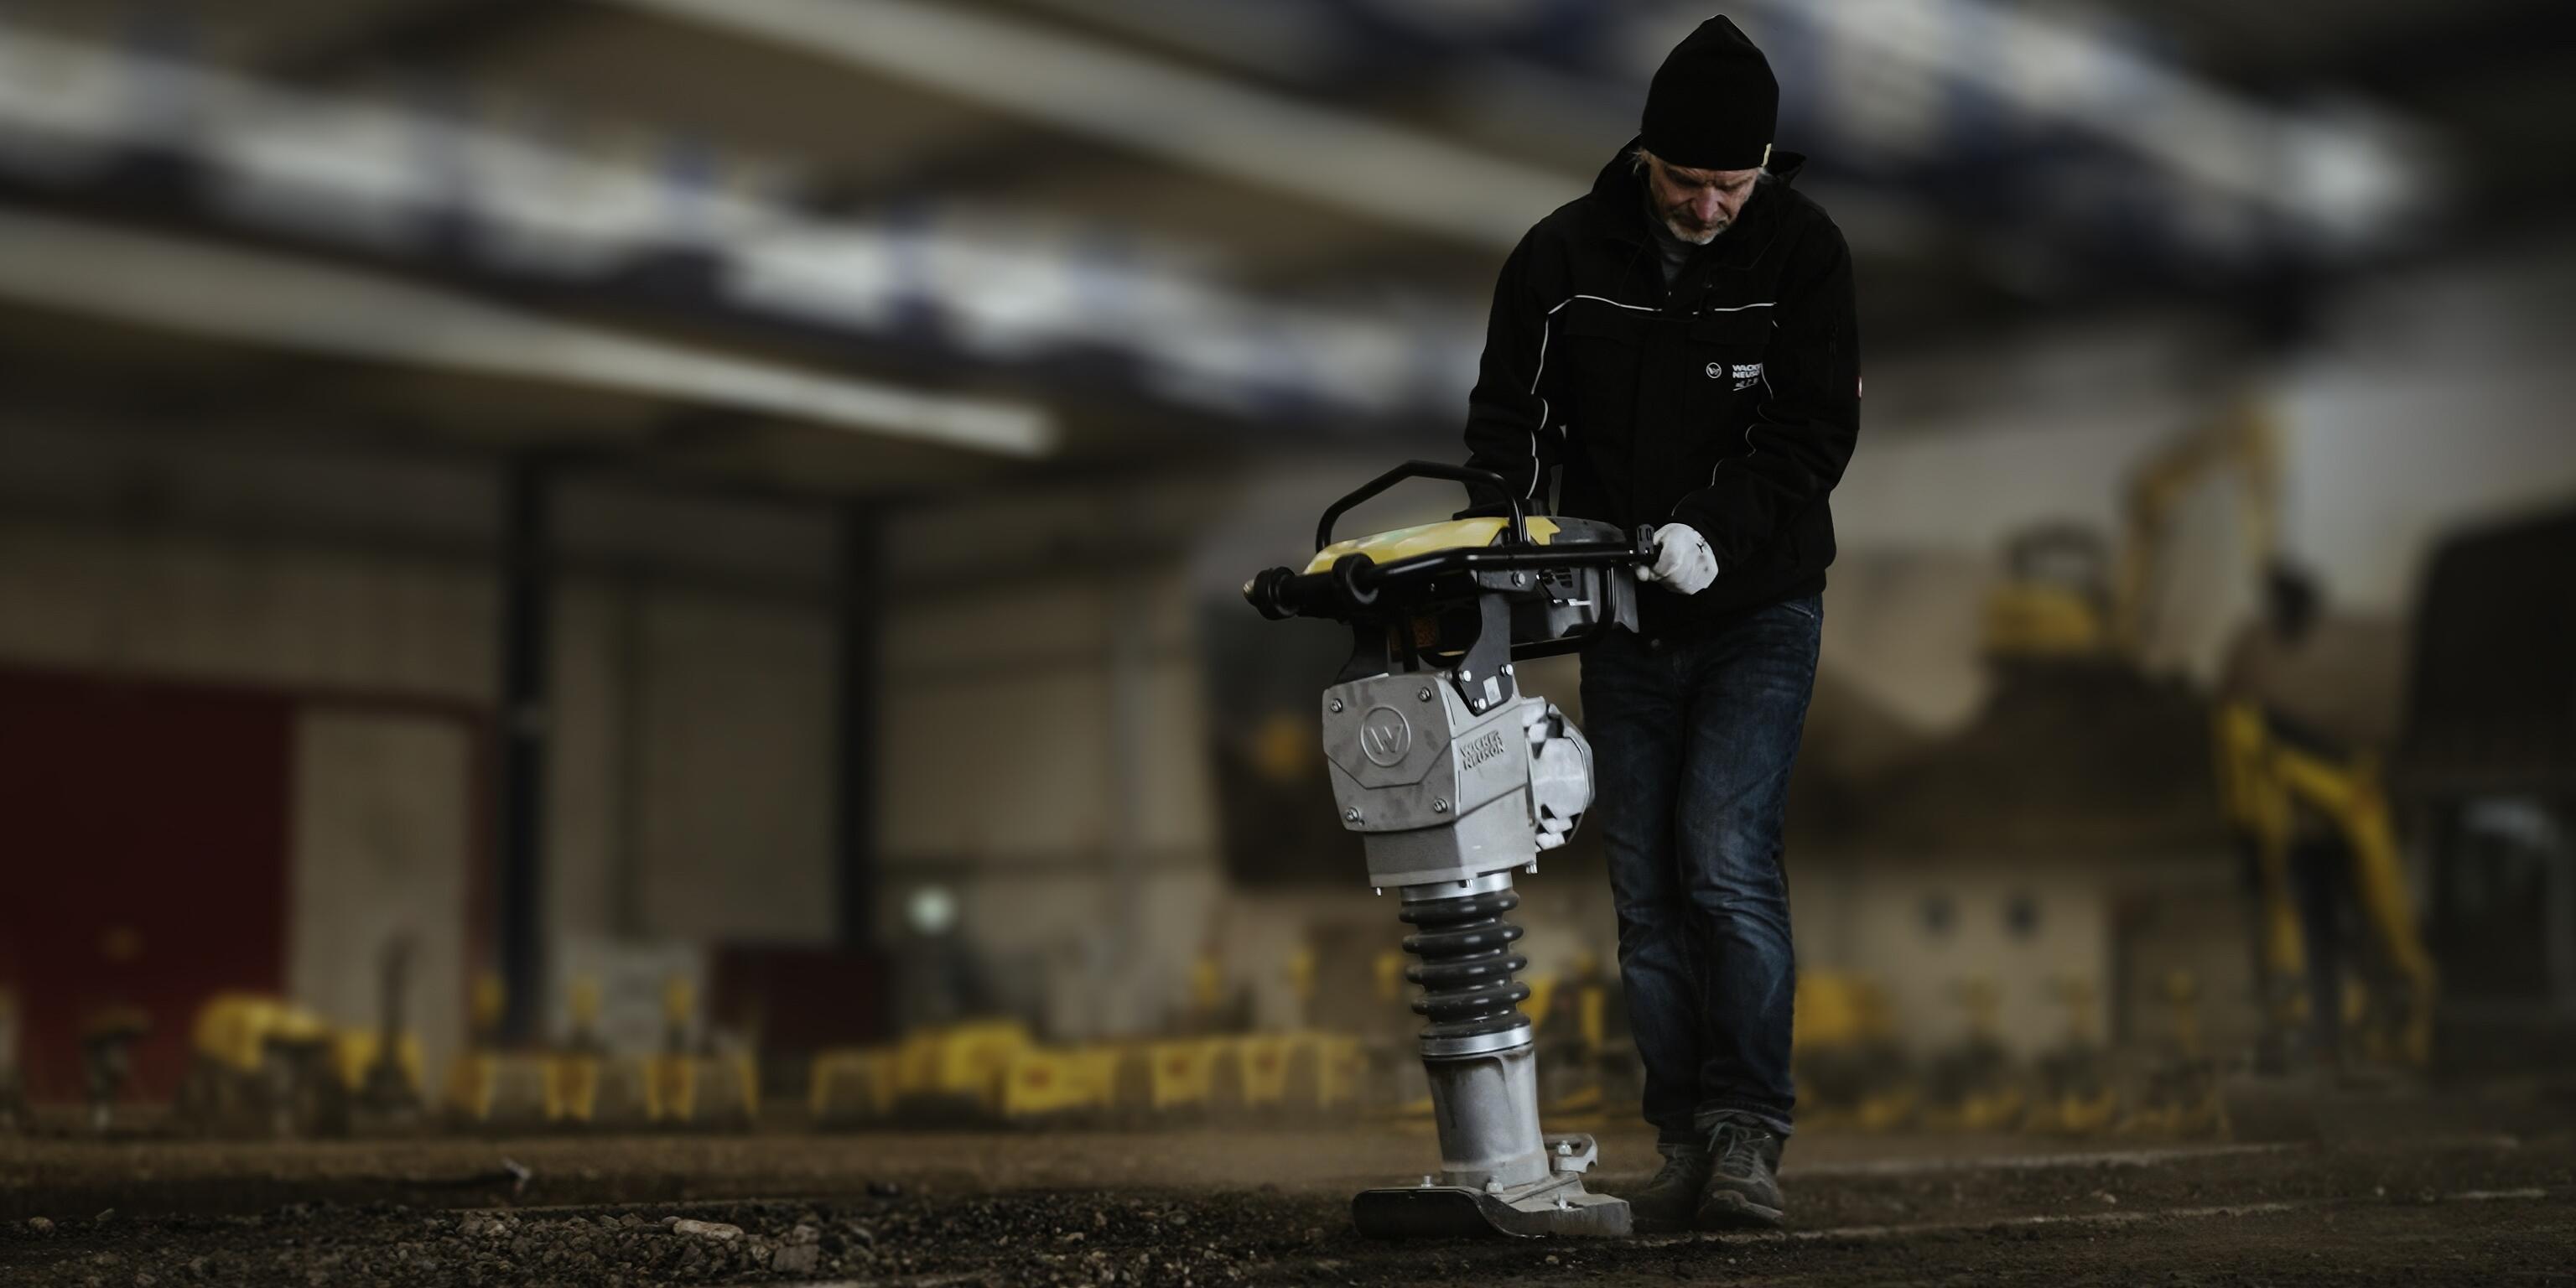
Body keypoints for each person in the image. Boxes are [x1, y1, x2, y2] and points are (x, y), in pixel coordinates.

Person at [1460, 14, 1859, 1230]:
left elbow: (1812, 433)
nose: (1710, 208)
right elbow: (1505, 422)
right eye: (1689, 182)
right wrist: (1498, 533)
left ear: (1763, 167)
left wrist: (1715, 529)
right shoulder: (1560, 257)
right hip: (1622, 617)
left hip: (1759, 606)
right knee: (1642, 890)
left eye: (1732, 185)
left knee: (1722, 861)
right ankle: (1681, 1138)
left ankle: (1748, 1134)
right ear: (1647, 157)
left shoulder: (1802, 250)